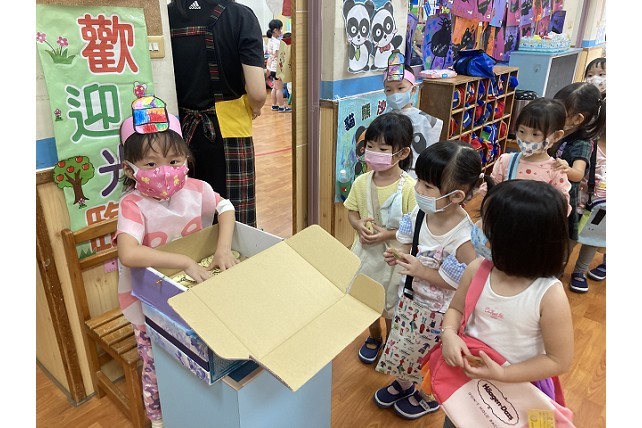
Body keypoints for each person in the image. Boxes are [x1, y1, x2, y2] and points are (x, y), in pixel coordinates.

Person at [115, 98, 239, 428]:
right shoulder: (132, 205)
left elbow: (226, 208)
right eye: (151, 164)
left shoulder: (196, 190)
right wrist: (184, 261)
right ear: (130, 169)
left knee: (195, 349)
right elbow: (129, 253)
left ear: (186, 159)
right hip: (149, 299)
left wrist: (223, 248)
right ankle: (158, 418)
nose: (165, 171)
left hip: (193, 293)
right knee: (155, 360)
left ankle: (195, 407)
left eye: (173, 160)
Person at [439, 180, 574, 428]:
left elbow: (559, 360)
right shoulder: (477, 269)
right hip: (467, 383)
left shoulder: (549, 295)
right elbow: (456, 309)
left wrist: (503, 374)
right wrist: (448, 333)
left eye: (487, 225)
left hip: (518, 391)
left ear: (517, 241)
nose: (477, 227)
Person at [374, 141, 486, 420]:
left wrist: (421, 271)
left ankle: (428, 396)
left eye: (427, 186)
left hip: (439, 315)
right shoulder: (421, 212)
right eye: (419, 181)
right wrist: (399, 255)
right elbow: (407, 241)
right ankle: (403, 383)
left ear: (456, 196)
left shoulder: (463, 238)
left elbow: (462, 285)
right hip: (410, 301)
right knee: (405, 348)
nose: (418, 190)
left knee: (429, 358)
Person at [168, 0, 267, 227]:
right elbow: (258, 92)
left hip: (177, 131)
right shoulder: (239, 15)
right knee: (232, 213)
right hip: (229, 130)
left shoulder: (168, 14)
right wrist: (256, 107)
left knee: (188, 209)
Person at [343, 112, 417, 365]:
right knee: (367, 300)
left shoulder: (409, 188)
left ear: (402, 153)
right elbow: (352, 211)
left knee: (390, 303)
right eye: (370, 146)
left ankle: (392, 338)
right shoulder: (361, 182)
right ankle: (374, 336)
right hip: (365, 255)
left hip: (392, 258)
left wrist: (388, 234)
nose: (374, 153)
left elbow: (414, 226)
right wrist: (357, 225)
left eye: (383, 149)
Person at [551, 82, 606, 280]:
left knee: (563, 243)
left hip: (568, 201)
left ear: (577, 119)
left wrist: (568, 169)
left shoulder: (582, 143)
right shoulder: (560, 133)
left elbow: (578, 173)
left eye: (560, 111)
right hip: (552, 195)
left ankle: (555, 274)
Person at [479, 97, 571, 214]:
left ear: (556, 136)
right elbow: (490, 190)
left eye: (535, 134)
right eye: (522, 131)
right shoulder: (506, 161)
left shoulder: (555, 170)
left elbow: (562, 208)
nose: (526, 139)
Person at [383, 52, 442, 179]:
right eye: (389, 90)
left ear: (413, 89)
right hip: (388, 175)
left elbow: (430, 156)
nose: (394, 94)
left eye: (400, 88)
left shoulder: (427, 121)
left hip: (415, 177)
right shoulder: (382, 120)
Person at [569, 97, 607, 292]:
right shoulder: (590, 145)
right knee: (571, 237)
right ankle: (557, 267)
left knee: (595, 239)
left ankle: (580, 271)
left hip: (604, 208)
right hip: (583, 202)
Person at [266, 19, 291, 113]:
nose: (281, 31)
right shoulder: (277, 42)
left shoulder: (270, 40)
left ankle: (274, 105)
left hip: (272, 67)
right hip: (277, 68)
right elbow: (278, 55)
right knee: (280, 88)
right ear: (275, 30)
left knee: (275, 87)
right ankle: (281, 106)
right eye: (280, 29)